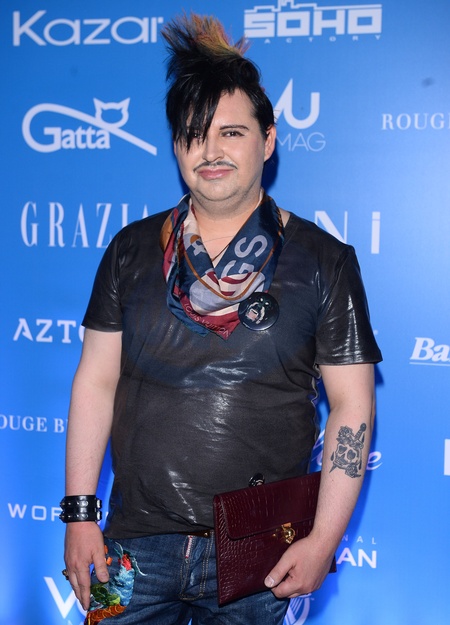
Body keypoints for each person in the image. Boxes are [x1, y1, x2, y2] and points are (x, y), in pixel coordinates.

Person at [61, 13, 382, 625]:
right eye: (193, 134)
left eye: (231, 132)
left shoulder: (325, 260)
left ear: (268, 140)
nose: (210, 151)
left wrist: (324, 540)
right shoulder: (130, 249)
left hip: (264, 555)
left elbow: (353, 405)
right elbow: (94, 382)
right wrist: (80, 517)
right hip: (124, 544)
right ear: (177, 147)